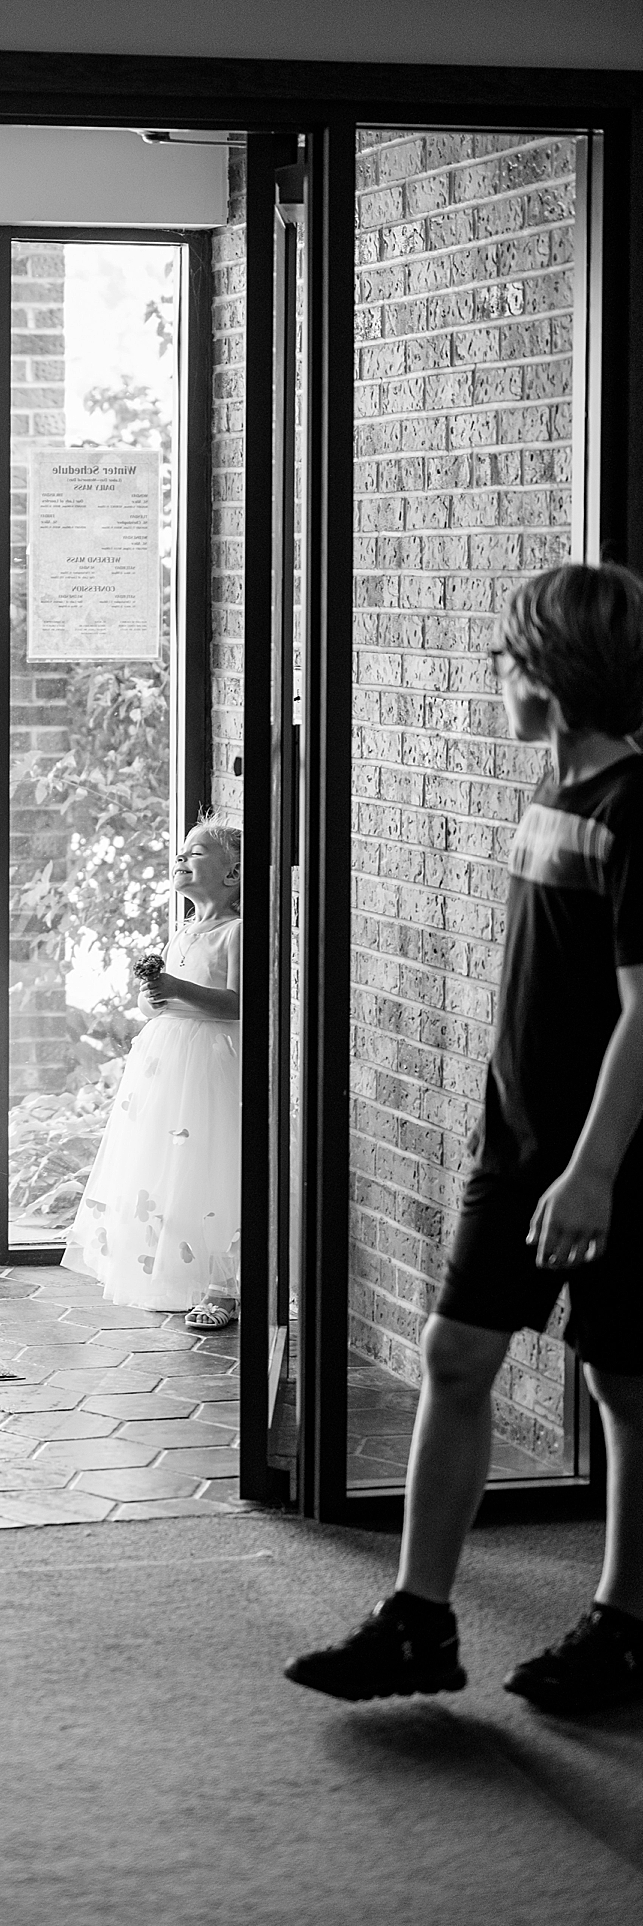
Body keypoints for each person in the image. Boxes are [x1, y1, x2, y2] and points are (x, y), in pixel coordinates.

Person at [288, 561, 643, 1717]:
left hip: (607, 1159)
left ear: (556, 670)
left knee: (625, 1385)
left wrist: (593, 1169)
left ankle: (624, 1621)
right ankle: (417, 1621)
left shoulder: (636, 808)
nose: (499, 674)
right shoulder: (557, 795)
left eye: (509, 656)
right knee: (455, 1354)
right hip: (519, 1150)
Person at [63, 820, 242, 1331]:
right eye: (181, 852)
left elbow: (239, 1004)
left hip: (211, 1062)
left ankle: (223, 1286)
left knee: (214, 1165)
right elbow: (156, 1002)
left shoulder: (236, 932)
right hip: (166, 1061)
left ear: (232, 874)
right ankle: (182, 1273)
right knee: (171, 1168)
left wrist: (175, 989)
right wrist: (154, 993)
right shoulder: (182, 929)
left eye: (196, 852)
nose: (181, 859)